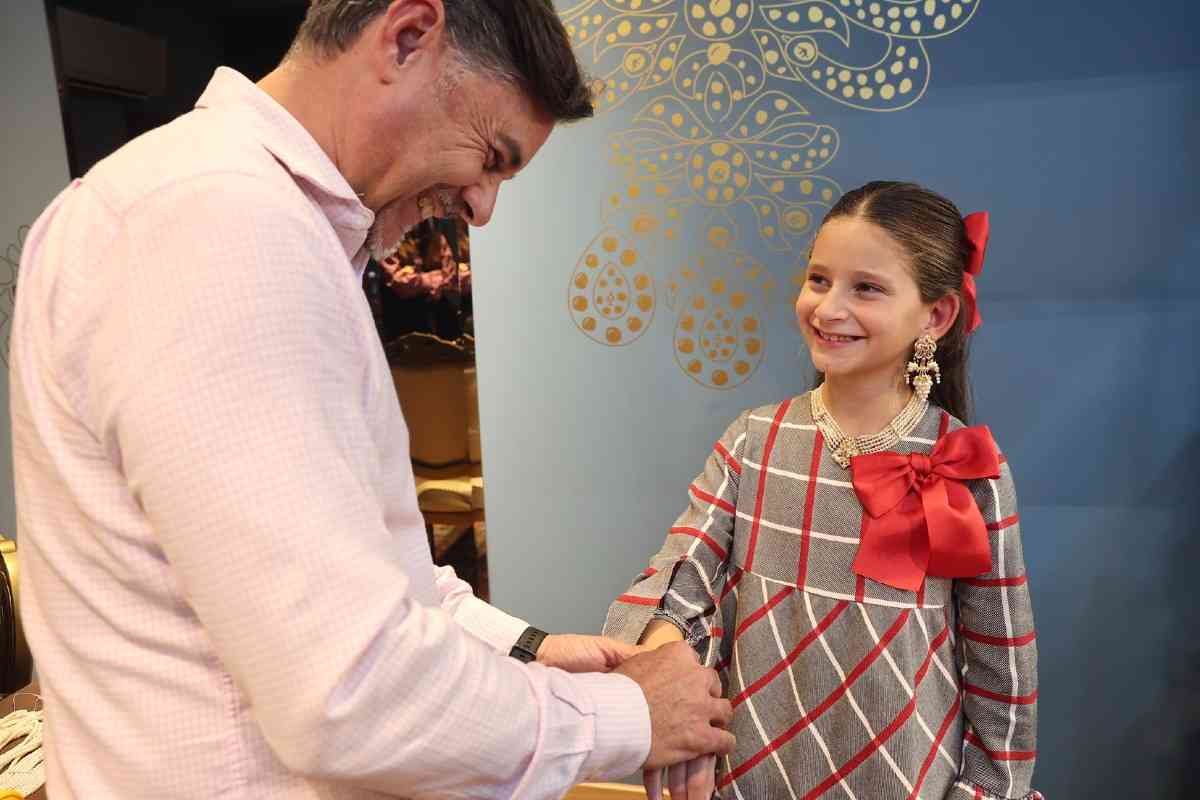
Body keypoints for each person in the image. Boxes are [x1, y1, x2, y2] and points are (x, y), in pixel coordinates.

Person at [9, 1, 733, 798]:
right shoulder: (221, 224)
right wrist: (627, 715)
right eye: (491, 157)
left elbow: (369, 573)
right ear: (408, 36)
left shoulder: (235, 213)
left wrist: (531, 650)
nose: (482, 207)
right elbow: (347, 691)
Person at [606, 182, 1041, 800]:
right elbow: (682, 572)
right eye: (818, 279)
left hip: (904, 779)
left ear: (937, 316)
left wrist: (988, 789)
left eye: (866, 288)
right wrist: (667, 663)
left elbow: (1003, 670)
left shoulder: (965, 465)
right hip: (751, 773)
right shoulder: (754, 440)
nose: (829, 308)